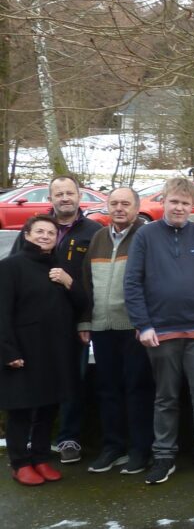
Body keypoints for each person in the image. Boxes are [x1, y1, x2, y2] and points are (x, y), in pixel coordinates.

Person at [123, 177, 194, 485]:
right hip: (160, 331)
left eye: (185, 203)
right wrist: (142, 324)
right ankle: (164, 457)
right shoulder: (145, 235)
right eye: (174, 202)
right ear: (164, 202)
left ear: (192, 205)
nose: (180, 208)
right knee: (166, 396)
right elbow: (132, 282)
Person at [9, 174, 101, 465]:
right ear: (50, 198)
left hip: (73, 326)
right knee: (34, 387)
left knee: (72, 382)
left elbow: (93, 283)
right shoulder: (34, 230)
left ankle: (68, 438)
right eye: (58, 193)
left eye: (69, 193)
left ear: (78, 196)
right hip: (34, 330)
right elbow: (14, 278)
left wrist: (85, 321)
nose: (64, 198)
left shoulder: (93, 232)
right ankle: (32, 449)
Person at [1, 215, 89, 486]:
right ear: (26, 235)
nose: (45, 236)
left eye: (50, 232)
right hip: (23, 351)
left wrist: (69, 282)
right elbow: (1, 313)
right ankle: (20, 463)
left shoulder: (59, 266)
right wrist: (8, 351)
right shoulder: (10, 267)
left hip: (56, 351)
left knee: (49, 407)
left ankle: (40, 458)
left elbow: (82, 303)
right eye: (39, 231)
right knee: (21, 409)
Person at [76, 188, 153, 474]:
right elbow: (86, 283)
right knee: (107, 389)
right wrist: (85, 321)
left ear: (136, 207)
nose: (119, 208)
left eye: (125, 204)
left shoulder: (146, 237)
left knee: (138, 388)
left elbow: (153, 282)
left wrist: (145, 322)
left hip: (134, 327)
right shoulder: (97, 237)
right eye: (114, 203)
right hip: (102, 327)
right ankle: (112, 447)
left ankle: (140, 449)